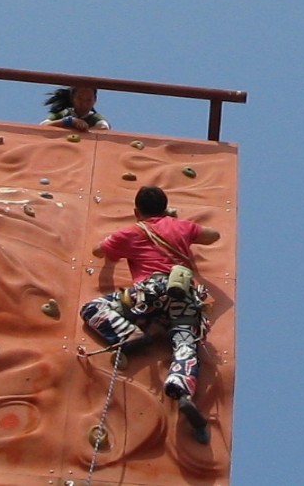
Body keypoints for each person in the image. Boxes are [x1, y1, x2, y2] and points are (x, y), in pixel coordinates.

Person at [80, 185, 221, 444]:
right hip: (184, 298)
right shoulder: (181, 227)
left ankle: (129, 333)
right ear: (165, 208)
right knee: (185, 344)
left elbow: (98, 251)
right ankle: (182, 391)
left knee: (92, 308)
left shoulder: (132, 232)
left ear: (137, 211)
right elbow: (214, 235)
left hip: (148, 297)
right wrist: (176, 223)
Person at [41, 86, 110, 131]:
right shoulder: (64, 113)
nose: (84, 103)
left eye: (89, 100)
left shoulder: (94, 117)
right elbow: (43, 125)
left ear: (95, 100)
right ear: (72, 98)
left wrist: (85, 132)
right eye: (80, 99)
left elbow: (104, 127)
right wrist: (69, 121)